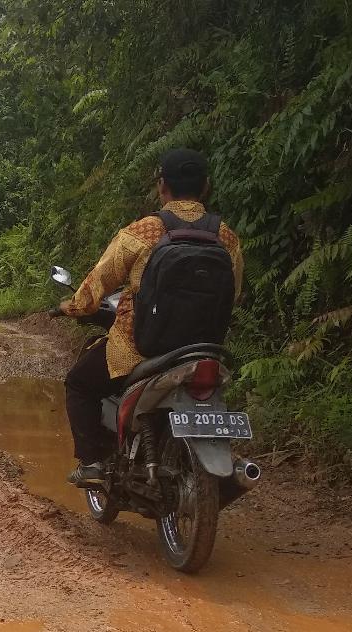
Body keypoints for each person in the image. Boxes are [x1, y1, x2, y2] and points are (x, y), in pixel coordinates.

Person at [60, 148, 244, 485]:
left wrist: (71, 307)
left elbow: (95, 287)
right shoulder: (227, 237)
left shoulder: (142, 232)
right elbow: (234, 295)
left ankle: (93, 465)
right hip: (204, 350)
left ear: (162, 186)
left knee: (80, 383)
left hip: (139, 349)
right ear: (205, 187)